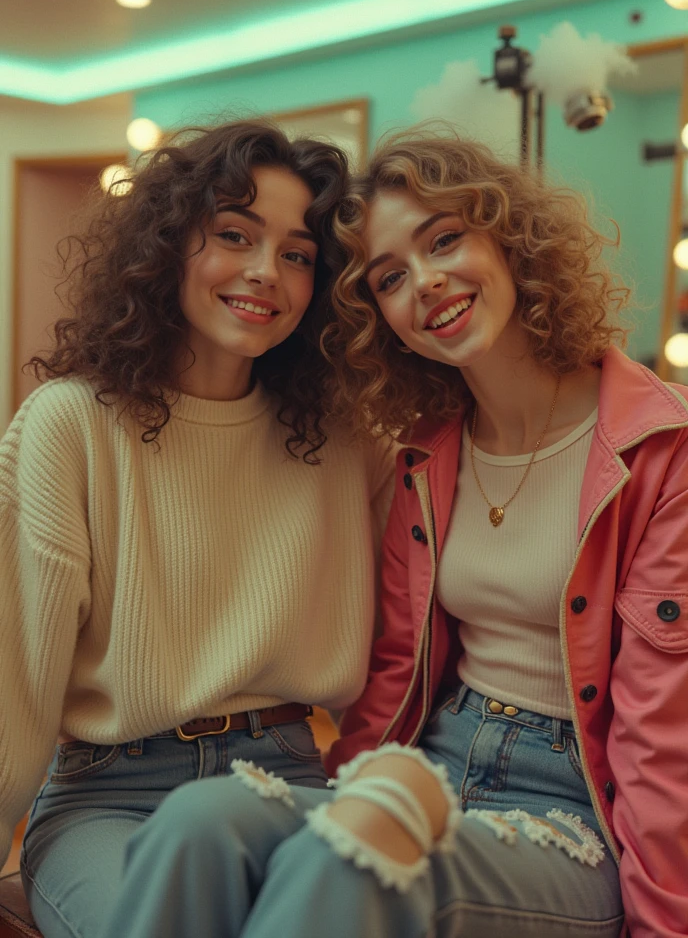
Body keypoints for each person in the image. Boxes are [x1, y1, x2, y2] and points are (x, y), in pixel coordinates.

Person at [105, 129, 688, 938]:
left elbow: (666, 744)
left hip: (573, 814)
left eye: (445, 239)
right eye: (389, 276)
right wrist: (349, 787)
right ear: (379, 316)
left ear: (512, 240)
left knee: (343, 861)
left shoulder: (661, 451)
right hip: (428, 763)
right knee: (202, 820)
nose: (427, 282)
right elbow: (394, 673)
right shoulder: (427, 450)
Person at [0, 119, 396, 938]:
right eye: (233, 234)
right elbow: (14, 690)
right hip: (108, 797)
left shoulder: (348, 441)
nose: (264, 272)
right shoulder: (68, 426)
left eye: (296, 253)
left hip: (287, 783)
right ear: (167, 246)